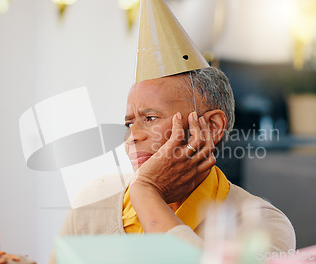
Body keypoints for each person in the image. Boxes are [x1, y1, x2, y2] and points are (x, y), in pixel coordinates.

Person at [49, 0, 295, 262]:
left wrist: (146, 192)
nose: (133, 136)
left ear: (211, 127)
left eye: (151, 117)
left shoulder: (261, 223)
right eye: (129, 123)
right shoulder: (93, 200)